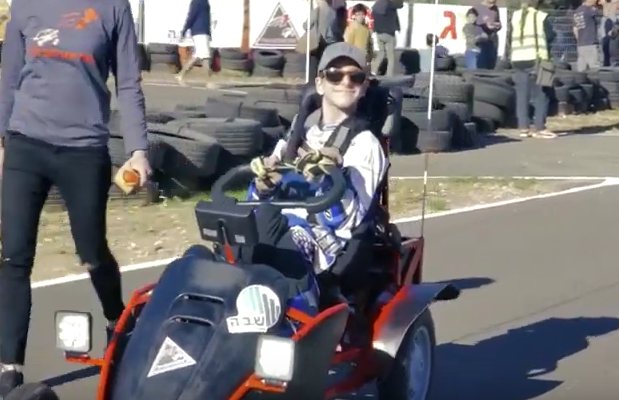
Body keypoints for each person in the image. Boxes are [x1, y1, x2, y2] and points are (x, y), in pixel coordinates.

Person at [0, 0, 152, 393]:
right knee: (14, 256)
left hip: (83, 149)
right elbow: (10, 75)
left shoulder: (113, 8)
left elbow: (130, 81)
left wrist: (138, 150)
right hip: (25, 144)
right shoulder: (25, 5)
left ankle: (116, 319)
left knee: (91, 251)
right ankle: (9, 370)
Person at [241, 42, 387, 299]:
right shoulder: (298, 132)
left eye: (355, 76)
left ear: (364, 87)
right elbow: (257, 198)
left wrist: (331, 176)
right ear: (320, 84)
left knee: (283, 253)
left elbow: (347, 220)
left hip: (323, 241)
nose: (345, 82)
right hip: (279, 221)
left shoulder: (365, 144)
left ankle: (292, 330)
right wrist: (264, 186)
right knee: (227, 248)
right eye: (334, 74)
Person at [510, 0, 557, 139]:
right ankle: (539, 127)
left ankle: (523, 128)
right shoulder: (541, 16)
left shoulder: (515, 16)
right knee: (542, 94)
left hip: (518, 58)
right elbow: (550, 36)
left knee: (522, 95)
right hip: (537, 58)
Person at [299, 0, 345, 80]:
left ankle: (313, 82)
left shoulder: (317, 10)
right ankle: (323, 80)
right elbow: (336, 29)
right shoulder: (333, 12)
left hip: (318, 41)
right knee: (325, 63)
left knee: (313, 64)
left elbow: (306, 25)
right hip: (330, 41)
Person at [176, 0, 212, 85]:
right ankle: (209, 81)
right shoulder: (196, 2)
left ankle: (181, 75)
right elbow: (191, 16)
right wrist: (184, 30)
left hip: (204, 31)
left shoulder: (205, 2)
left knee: (198, 55)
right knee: (205, 56)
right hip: (199, 31)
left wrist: (209, 32)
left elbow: (207, 18)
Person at [371, 0, 403, 76]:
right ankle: (389, 75)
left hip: (379, 33)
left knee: (381, 53)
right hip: (389, 34)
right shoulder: (391, 4)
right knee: (390, 56)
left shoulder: (376, 5)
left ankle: (373, 70)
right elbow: (400, 4)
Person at [344, 3, 374, 69]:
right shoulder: (351, 27)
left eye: (362, 14)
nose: (361, 16)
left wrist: (370, 57)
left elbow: (370, 44)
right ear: (354, 15)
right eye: (358, 14)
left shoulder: (366, 28)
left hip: (364, 60)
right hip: (354, 60)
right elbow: (348, 45)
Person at [574, 0, 601, 71]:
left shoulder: (577, 11)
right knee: (594, 69)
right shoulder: (589, 10)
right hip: (590, 43)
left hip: (581, 44)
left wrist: (580, 40)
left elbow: (575, 29)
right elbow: (603, 13)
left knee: (581, 70)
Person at [475, 0, 502, 69]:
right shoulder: (479, 8)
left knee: (492, 59)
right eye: (490, 3)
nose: (492, 5)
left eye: (494, 2)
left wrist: (497, 25)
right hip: (482, 37)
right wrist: (494, 24)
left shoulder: (495, 9)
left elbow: (498, 23)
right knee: (483, 60)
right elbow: (488, 24)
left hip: (493, 36)